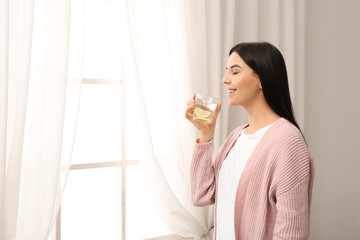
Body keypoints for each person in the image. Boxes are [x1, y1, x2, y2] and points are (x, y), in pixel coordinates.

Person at [185, 42, 314, 240]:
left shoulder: (288, 142)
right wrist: (206, 135)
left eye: (235, 72)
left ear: (262, 79)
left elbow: (292, 233)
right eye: (226, 71)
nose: (225, 79)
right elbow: (201, 195)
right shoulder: (236, 137)